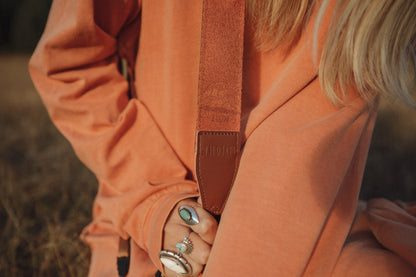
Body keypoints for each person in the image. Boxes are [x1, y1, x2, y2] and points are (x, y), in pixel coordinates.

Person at [29, 0, 416, 276]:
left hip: (292, 224)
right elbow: (68, 63)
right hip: (156, 235)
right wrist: (154, 200)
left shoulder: (370, 13)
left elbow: (300, 158)